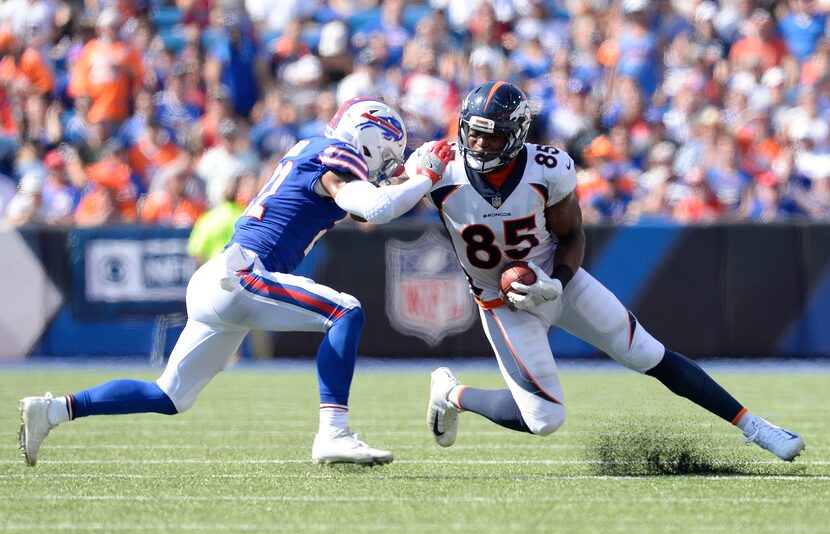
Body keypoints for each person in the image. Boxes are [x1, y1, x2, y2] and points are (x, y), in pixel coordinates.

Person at [19, 97, 454, 467]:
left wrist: (410, 178)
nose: (389, 162)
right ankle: (333, 432)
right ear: (369, 136)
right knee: (346, 310)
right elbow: (377, 209)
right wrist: (424, 177)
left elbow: (369, 210)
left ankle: (54, 410)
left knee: (169, 395)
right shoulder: (335, 154)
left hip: (220, 278)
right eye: (390, 151)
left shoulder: (315, 151)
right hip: (243, 273)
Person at [410, 81, 805, 462]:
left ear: (516, 136)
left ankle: (756, 426)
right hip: (501, 302)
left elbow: (572, 235)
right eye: (474, 133)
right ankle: (452, 393)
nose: (479, 144)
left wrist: (555, 283)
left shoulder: (547, 168)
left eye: (493, 136)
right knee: (544, 420)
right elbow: (381, 204)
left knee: (649, 353)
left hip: (553, 277)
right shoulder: (440, 167)